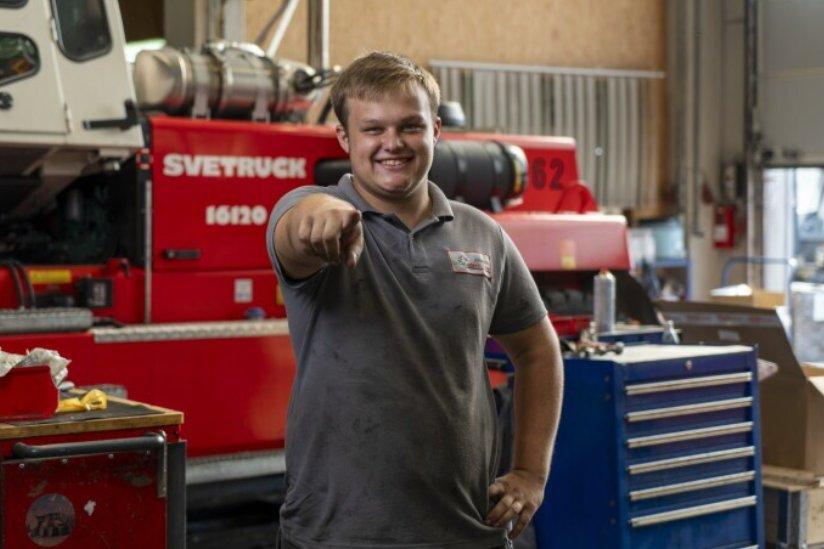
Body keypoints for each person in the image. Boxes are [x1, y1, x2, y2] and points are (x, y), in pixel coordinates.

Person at [267, 51, 563, 549]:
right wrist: (318, 219)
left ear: (435, 130)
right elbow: (296, 228)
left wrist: (531, 473)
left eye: (410, 126)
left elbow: (538, 350)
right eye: (373, 129)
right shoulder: (310, 211)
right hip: (336, 536)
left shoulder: (482, 234)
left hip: (468, 532)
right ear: (344, 138)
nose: (393, 143)